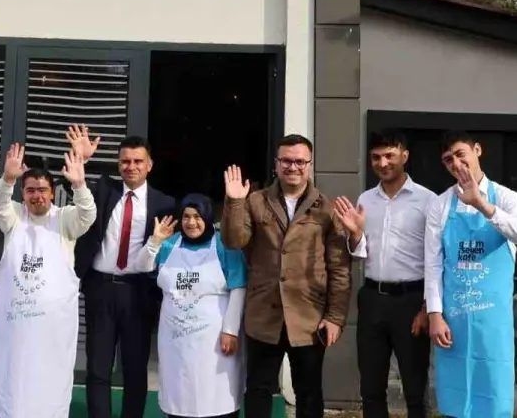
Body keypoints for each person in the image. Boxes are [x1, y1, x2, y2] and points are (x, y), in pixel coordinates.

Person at [221, 134, 352, 418]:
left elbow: (339, 267)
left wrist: (335, 317)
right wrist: (234, 203)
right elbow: (234, 240)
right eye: (287, 161)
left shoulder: (327, 208)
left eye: (300, 161)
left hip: (308, 317)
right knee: (258, 389)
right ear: (276, 164)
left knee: (309, 393)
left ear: (310, 164)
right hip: (263, 314)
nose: (293, 167)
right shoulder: (255, 201)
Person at [70, 126, 176, 418]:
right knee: (98, 368)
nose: (131, 166)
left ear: (149, 165)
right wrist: (80, 159)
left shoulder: (164, 203)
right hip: (100, 288)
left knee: (135, 369)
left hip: (139, 292)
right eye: (125, 161)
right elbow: (74, 186)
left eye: (138, 161)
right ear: (118, 165)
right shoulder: (103, 190)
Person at [0, 140, 97, 418]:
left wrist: (79, 184)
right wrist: (7, 178)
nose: (37, 196)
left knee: (48, 389)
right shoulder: (14, 216)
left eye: (42, 190)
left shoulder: (65, 219)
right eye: (31, 190)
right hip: (14, 327)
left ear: (52, 193)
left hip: (52, 331)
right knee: (12, 385)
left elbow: (88, 215)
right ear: (23, 194)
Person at [425, 131, 517, 418]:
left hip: (493, 320)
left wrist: (482, 205)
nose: (456, 163)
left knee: (494, 387)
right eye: (448, 159)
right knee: (456, 391)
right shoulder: (440, 204)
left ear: (477, 150)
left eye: (461, 154)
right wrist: (435, 314)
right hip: (453, 319)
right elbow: (433, 264)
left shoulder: (506, 198)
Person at [333, 131, 436, 418]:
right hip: (372, 299)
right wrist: (355, 234)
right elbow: (360, 253)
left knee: (415, 387)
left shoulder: (427, 200)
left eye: (390, 155)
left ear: (405, 156)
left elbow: (436, 258)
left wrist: (427, 307)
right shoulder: (366, 199)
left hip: (411, 301)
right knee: (371, 387)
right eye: (376, 157)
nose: (383, 163)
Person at [131, 194, 247, 418]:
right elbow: (142, 266)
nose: (191, 222)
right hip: (175, 340)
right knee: (179, 394)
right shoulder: (170, 243)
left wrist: (231, 331)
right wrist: (155, 241)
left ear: (208, 217)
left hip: (214, 341)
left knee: (215, 393)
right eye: (186, 217)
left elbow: (239, 286)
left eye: (197, 216)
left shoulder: (225, 245)